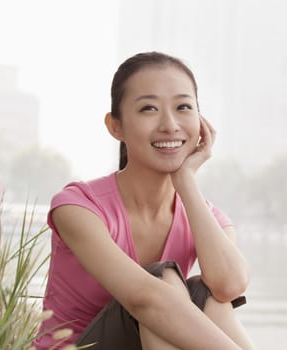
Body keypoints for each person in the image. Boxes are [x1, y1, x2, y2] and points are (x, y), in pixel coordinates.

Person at [33, 52, 255, 350]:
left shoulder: (207, 219)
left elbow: (229, 286)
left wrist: (186, 183)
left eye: (183, 107)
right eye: (149, 108)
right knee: (164, 283)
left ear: (201, 124)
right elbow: (144, 300)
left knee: (207, 294)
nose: (170, 124)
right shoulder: (77, 207)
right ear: (116, 126)